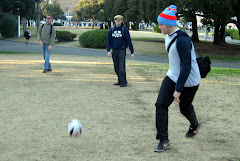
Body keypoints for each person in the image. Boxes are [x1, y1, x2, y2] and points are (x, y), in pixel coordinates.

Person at [154, 5, 201, 152]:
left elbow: (186, 67)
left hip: (189, 80)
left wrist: (178, 90)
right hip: (173, 75)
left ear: (168, 25)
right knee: (160, 104)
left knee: (184, 108)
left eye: (161, 25)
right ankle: (163, 140)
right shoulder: (168, 35)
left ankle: (194, 124)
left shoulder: (183, 41)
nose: (159, 27)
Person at [106, 15, 135, 87]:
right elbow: (108, 41)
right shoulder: (111, 30)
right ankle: (120, 80)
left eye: (119, 20)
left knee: (121, 67)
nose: (118, 21)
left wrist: (132, 52)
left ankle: (124, 82)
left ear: (121, 20)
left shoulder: (124, 30)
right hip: (114, 50)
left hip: (122, 50)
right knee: (116, 67)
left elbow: (129, 41)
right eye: (116, 20)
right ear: (114, 21)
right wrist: (108, 50)